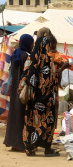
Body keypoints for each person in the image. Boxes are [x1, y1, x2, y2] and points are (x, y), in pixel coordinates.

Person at [18, 27, 60, 156]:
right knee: (47, 123)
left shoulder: (31, 60)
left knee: (32, 123)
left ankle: (30, 147)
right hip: (47, 99)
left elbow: (24, 79)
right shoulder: (48, 61)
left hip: (34, 100)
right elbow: (53, 78)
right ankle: (47, 149)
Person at [3, 34, 34, 151]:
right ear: (28, 43)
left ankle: (13, 143)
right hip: (22, 90)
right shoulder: (25, 56)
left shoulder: (15, 54)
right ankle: (21, 144)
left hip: (15, 90)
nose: (32, 45)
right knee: (22, 116)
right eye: (32, 43)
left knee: (14, 115)